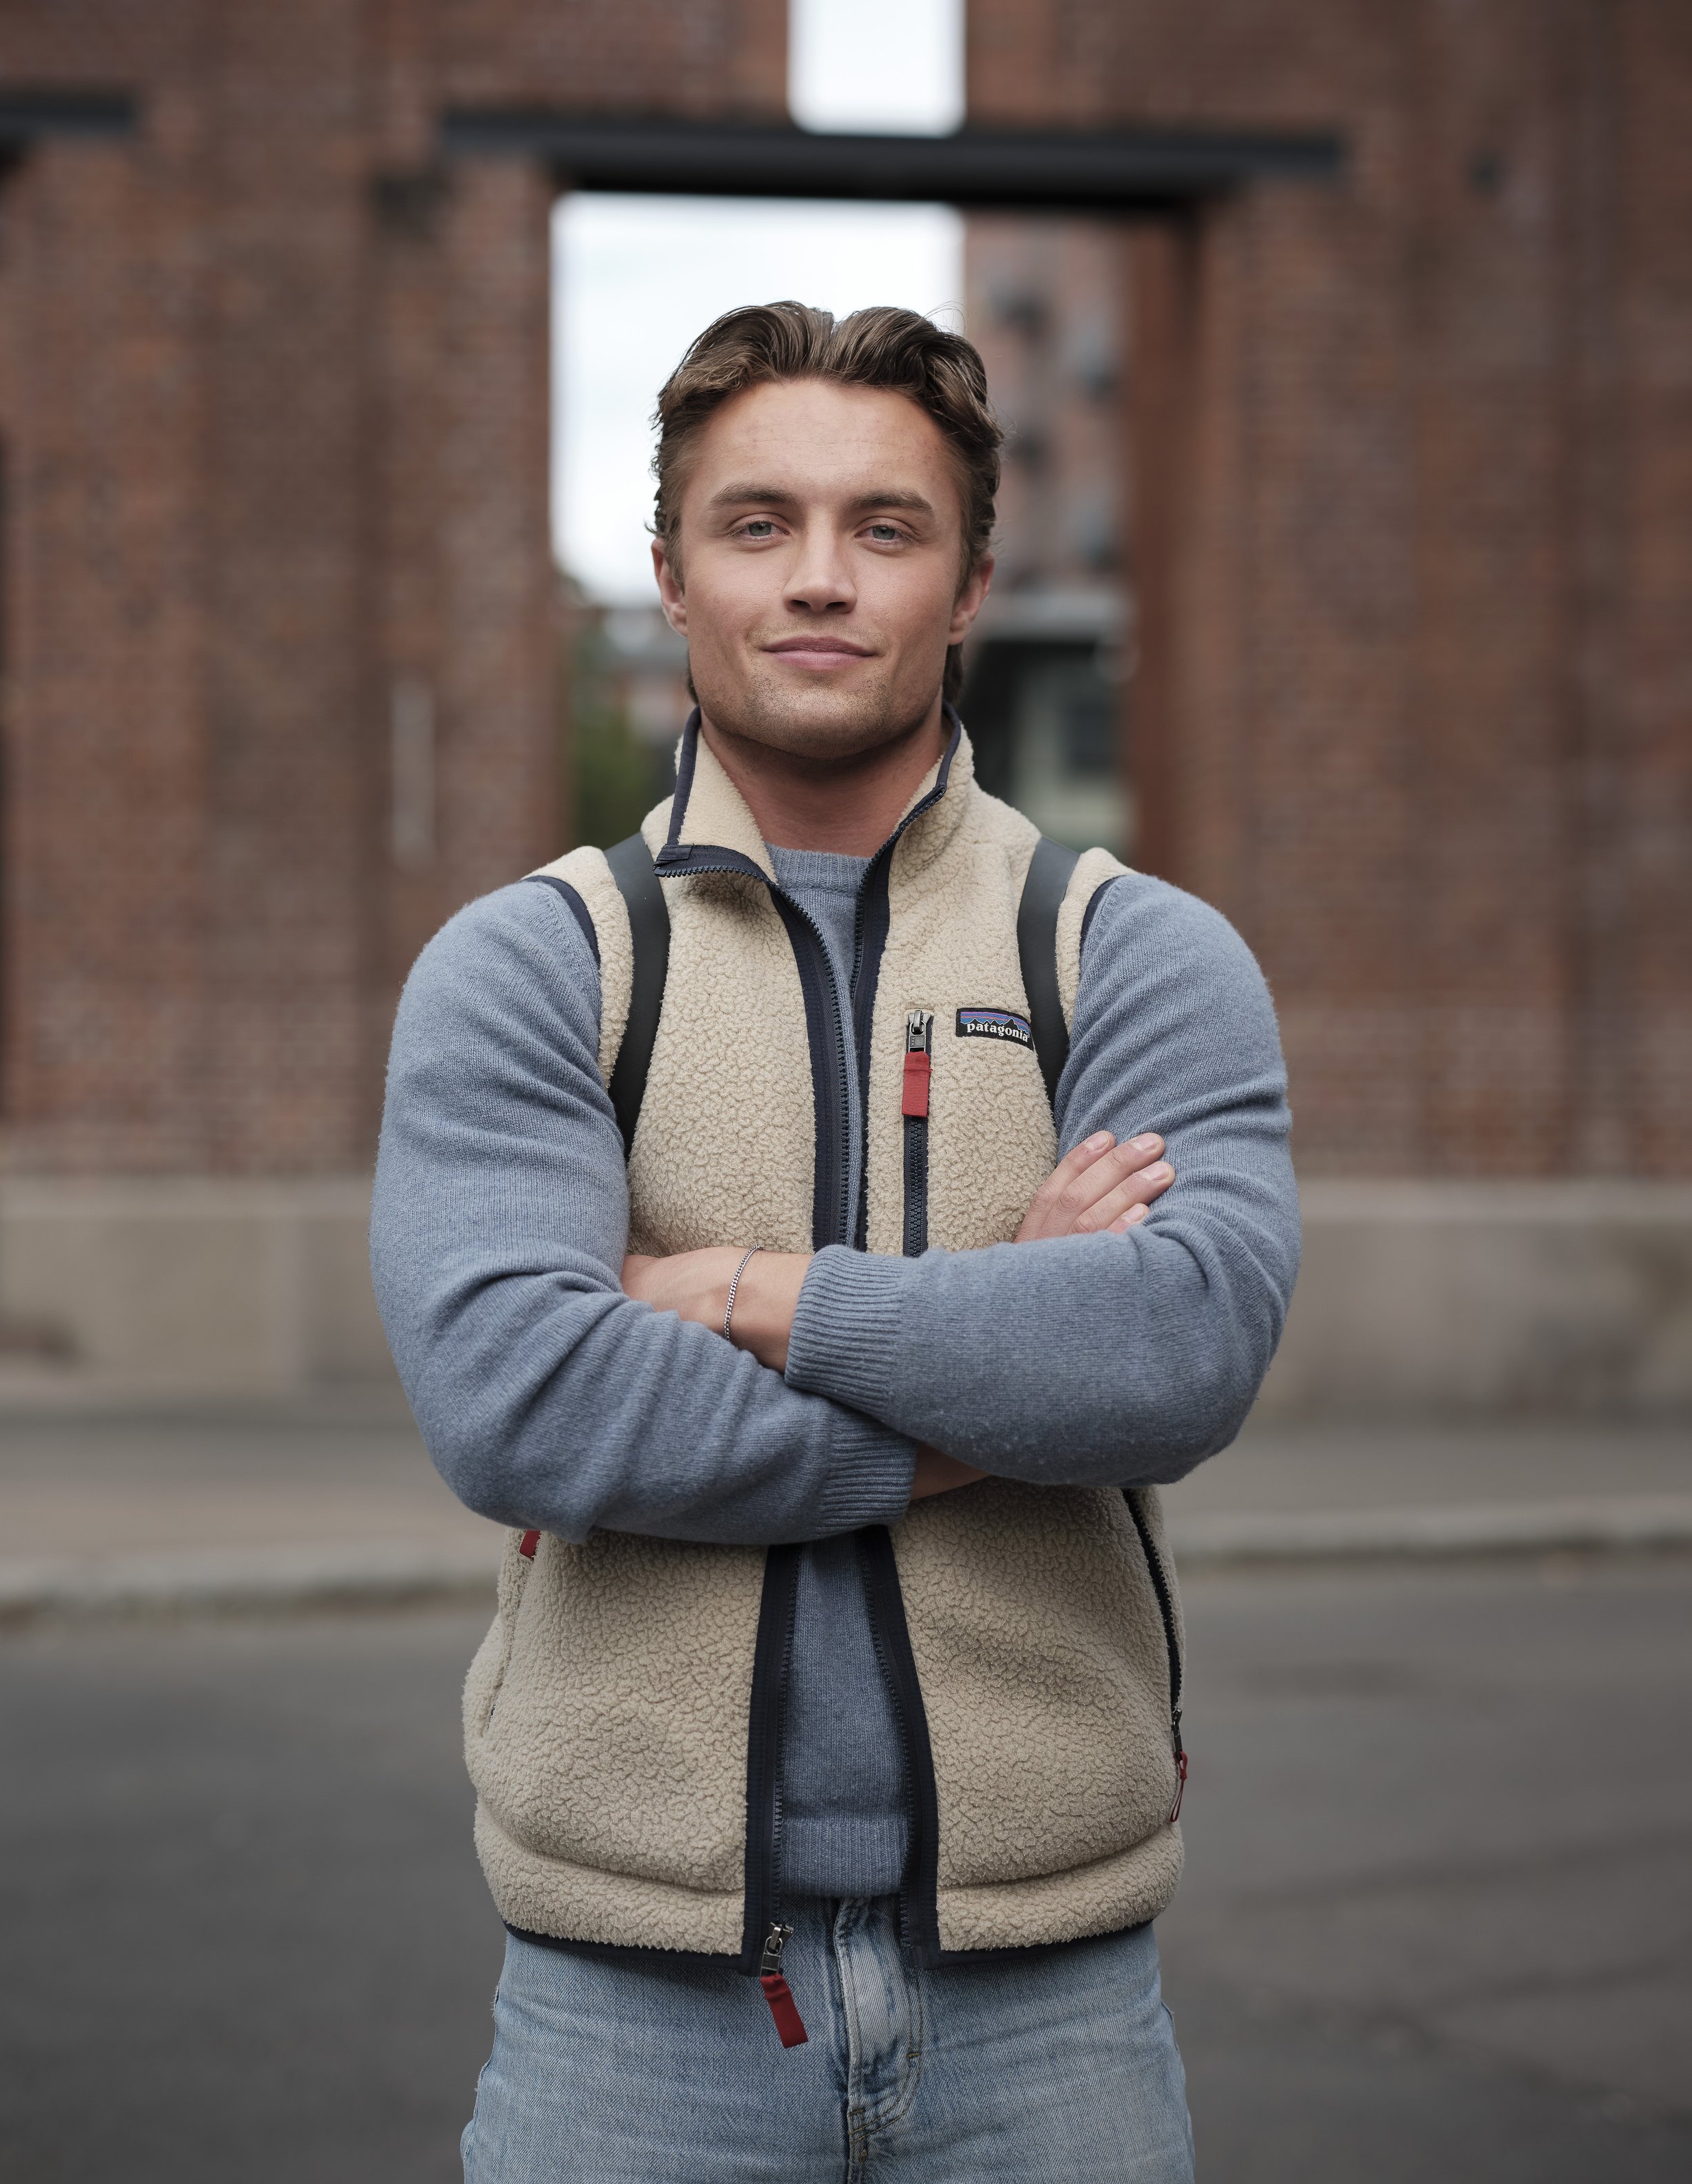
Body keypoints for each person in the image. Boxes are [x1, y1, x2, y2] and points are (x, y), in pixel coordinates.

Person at [370, 301, 1299, 2181]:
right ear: (668, 573)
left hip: (1053, 2000)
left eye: (883, 528)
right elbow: (520, 1404)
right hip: (626, 2003)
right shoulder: (537, 964)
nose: (817, 580)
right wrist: (1003, 1375)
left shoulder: (1126, 952)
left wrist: (724, 1293)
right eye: (755, 523)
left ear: (967, 580)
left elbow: (1179, 1348)